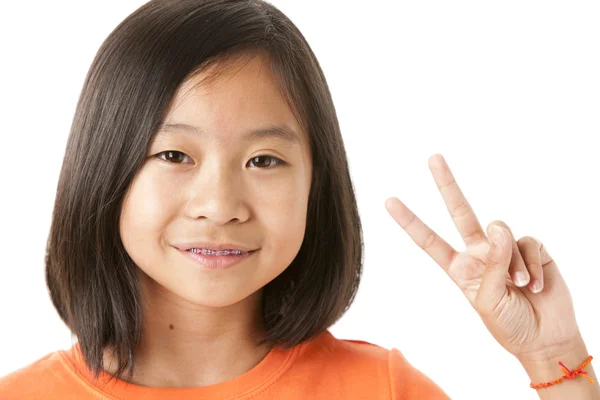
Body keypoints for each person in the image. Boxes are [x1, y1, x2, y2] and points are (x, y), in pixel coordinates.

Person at [0, 0, 597, 398]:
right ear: (102, 170)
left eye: (264, 160)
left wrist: (554, 357)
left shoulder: (382, 390)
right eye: (174, 155)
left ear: (318, 184)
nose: (219, 204)